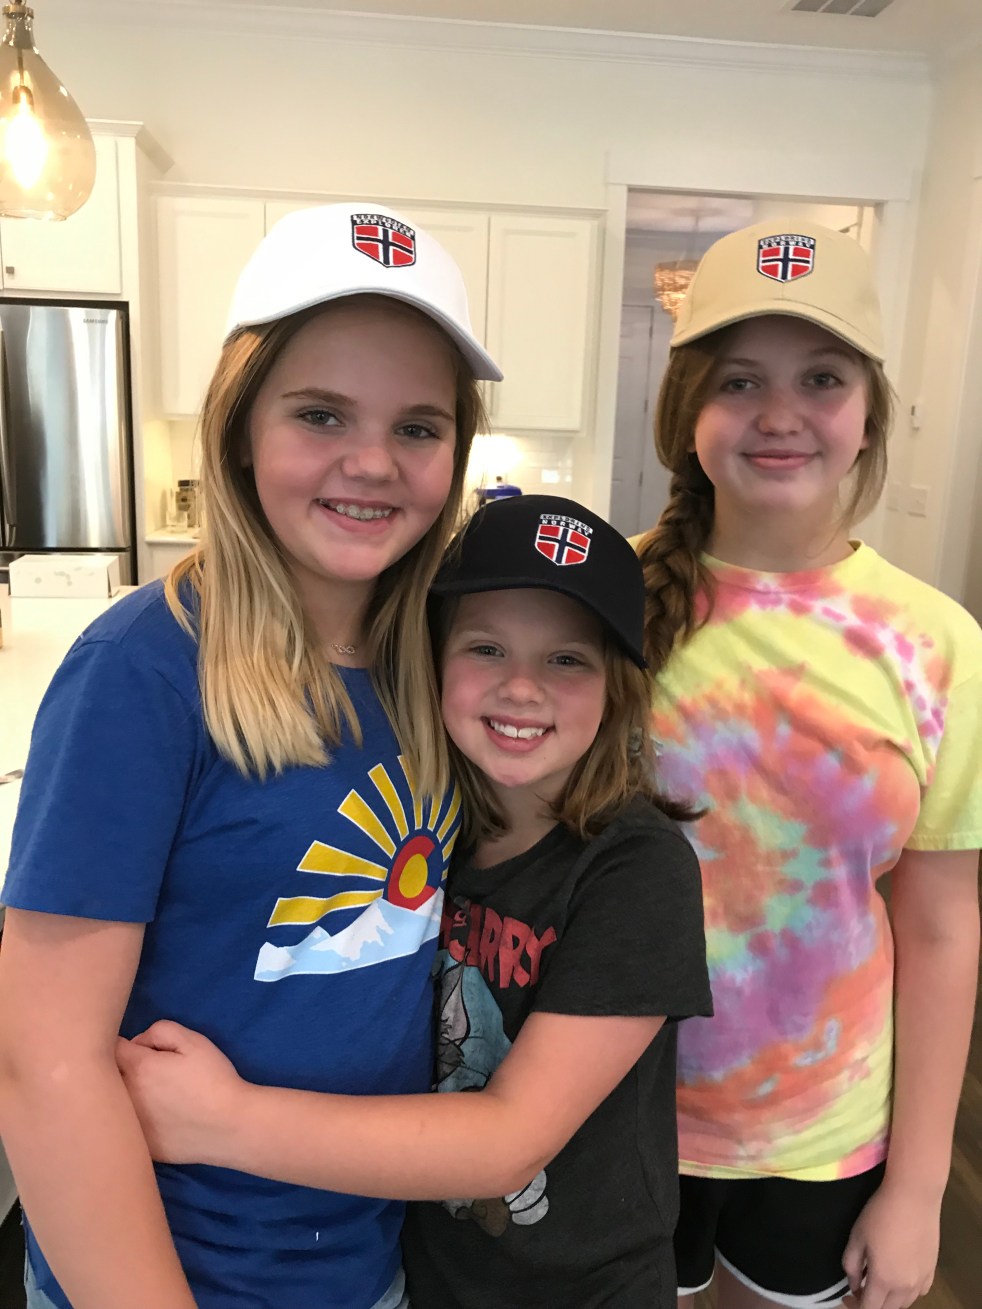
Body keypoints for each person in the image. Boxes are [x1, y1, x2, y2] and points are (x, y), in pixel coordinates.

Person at [0, 201, 504, 1309]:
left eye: (418, 428)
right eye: (320, 414)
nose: (371, 463)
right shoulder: (143, 673)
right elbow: (43, 1065)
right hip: (170, 1274)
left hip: (368, 1262)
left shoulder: (440, 666)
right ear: (239, 427)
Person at [116, 493, 713, 1308]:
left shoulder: (638, 870)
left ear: (618, 684)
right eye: (487, 647)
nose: (522, 687)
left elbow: (507, 1141)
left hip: (582, 1290)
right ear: (432, 655)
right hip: (423, 1272)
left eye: (567, 659)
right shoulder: (430, 824)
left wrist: (225, 1120)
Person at [633, 220, 982, 1309]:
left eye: (821, 378)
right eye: (739, 380)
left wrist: (919, 1185)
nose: (780, 413)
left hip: (822, 1134)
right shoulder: (597, 604)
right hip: (608, 1109)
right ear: (687, 412)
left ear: (869, 410)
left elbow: (939, 923)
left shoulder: (937, 644)